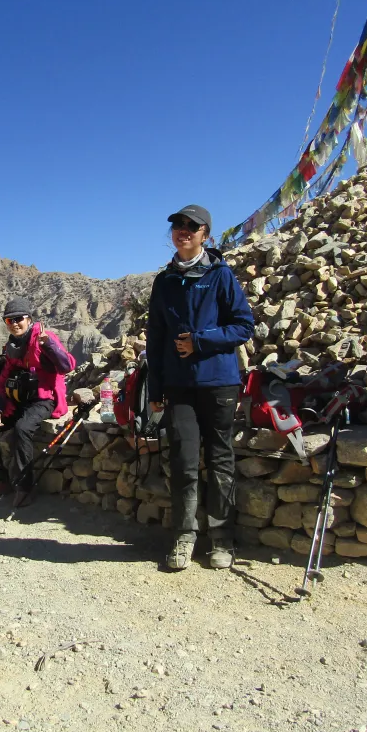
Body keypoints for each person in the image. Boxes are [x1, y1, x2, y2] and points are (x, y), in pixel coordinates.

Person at [146, 205, 255, 572]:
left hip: (219, 381)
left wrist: (200, 341)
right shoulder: (164, 282)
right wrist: (155, 387)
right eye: (178, 225)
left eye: (192, 226)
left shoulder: (221, 275)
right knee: (183, 461)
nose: (184, 231)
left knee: (221, 459)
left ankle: (222, 539)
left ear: (205, 234)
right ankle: (183, 537)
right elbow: (156, 338)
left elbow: (243, 326)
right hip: (178, 386)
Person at [0, 297, 75, 506]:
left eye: (18, 319)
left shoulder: (44, 338)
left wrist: (48, 346)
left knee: (23, 429)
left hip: (44, 399)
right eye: (9, 321)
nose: (14, 324)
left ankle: (25, 487)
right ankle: (0, 479)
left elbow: (67, 366)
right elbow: (3, 379)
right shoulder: (13, 346)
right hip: (18, 399)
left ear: (29, 319)